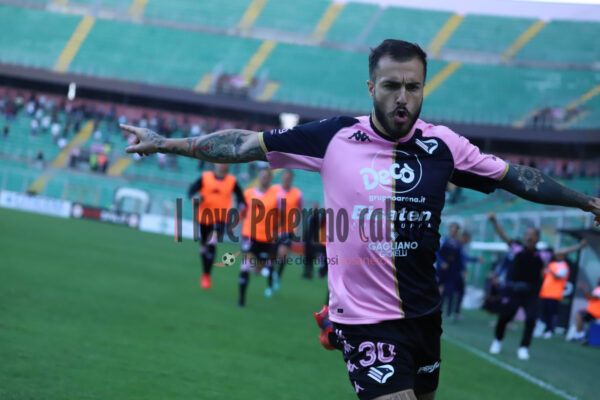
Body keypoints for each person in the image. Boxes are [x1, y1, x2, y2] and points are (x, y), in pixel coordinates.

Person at [121, 39, 600, 400]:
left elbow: (517, 177)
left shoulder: (445, 146)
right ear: (372, 88)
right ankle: (338, 323)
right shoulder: (333, 138)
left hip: (423, 313)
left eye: (413, 87)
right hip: (365, 318)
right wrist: (165, 143)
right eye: (391, 86)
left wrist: (587, 202)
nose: (402, 97)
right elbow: (244, 144)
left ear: (423, 89)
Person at [488, 213, 586, 359]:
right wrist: (494, 222)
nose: (530, 237)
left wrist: (579, 246)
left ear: (538, 238)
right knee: (504, 317)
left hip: (531, 293)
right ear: (524, 236)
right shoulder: (517, 248)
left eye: (533, 235)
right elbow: (503, 235)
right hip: (514, 290)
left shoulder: (543, 254)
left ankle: (523, 348)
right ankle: (497, 341)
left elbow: (560, 252)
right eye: (528, 234)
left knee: (531, 320)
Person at [188, 163, 246, 289]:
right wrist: (195, 197)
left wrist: (242, 206)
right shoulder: (205, 177)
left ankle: (207, 275)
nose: (222, 166)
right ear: (215, 164)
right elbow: (191, 191)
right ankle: (205, 273)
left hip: (221, 218)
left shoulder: (232, 181)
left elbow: (240, 197)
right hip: (203, 217)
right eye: (220, 163)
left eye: (224, 163)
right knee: (204, 247)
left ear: (228, 166)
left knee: (212, 242)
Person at [239, 168, 280, 304]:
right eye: (262, 176)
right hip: (249, 235)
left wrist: (276, 231)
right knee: (245, 265)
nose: (264, 178)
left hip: (266, 238)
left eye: (267, 176)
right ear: (258, 177)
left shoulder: (276, 196)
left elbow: (280, 216)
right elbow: (242, 211)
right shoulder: (248, 193)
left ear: (270, 179)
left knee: (258, 269)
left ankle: (266, 272)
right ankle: (241, 299)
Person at [539, 242, 586, 338]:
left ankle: (549, 330)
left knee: (551, 313)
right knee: (544, 313)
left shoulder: (564, 266)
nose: (558, 255)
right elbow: (543, 276)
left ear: (564, 256)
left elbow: (557, 277)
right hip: (545, 293)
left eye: (560, 254)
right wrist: (544, 268)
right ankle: (542, 329)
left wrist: (550, 269)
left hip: (554, 294)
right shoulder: (552, 264)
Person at [273, 169, 303, 289]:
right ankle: (271, 275)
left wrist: (298, 228)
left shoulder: (297, 193)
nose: (286, 179)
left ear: (292, 179)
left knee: (283, 254)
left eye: (289, 177)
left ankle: (278, 275)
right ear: (282, 177)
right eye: (285, 176)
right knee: (272, 254)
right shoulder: (274, 190)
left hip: (288, 229)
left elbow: (299, 211)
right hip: (272, 228)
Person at [436, 222, 463, 320]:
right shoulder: (443, 240)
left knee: (450, 291)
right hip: (442, 270)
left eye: (456, 229)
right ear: (449, 229)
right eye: (452, 229)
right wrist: (441, 262)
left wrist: (461, 269)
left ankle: (448, 312)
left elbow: (460, 258)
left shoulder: (458, 243)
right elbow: (436, 252)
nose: (454, 231)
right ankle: (437, 309)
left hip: (453, 271)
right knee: (439, 290)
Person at [571, 277, 600, 342]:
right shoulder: (597, 288)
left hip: (596, 313)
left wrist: (585, 289)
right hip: (591, 311)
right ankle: (579, 334)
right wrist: (585, 290)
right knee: (579, 314)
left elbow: (593, 298)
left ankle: (580, 335)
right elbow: (589, 297)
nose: (598, 279)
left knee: (579, 316)